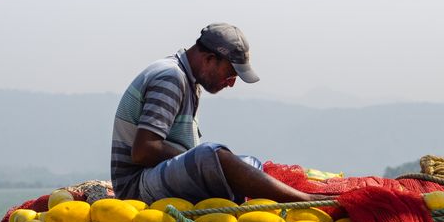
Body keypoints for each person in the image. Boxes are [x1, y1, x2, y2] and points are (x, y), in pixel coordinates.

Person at [111, 23, 319, 204]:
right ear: (210, 58)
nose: (231, 83)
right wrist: (203, 164)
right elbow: (144, 150)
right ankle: (305, 201)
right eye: (230, 73)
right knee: (213, 156)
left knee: (249, 165)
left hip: (158, 176)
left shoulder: (189, 81)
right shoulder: (171, 77)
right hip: (137, 187)